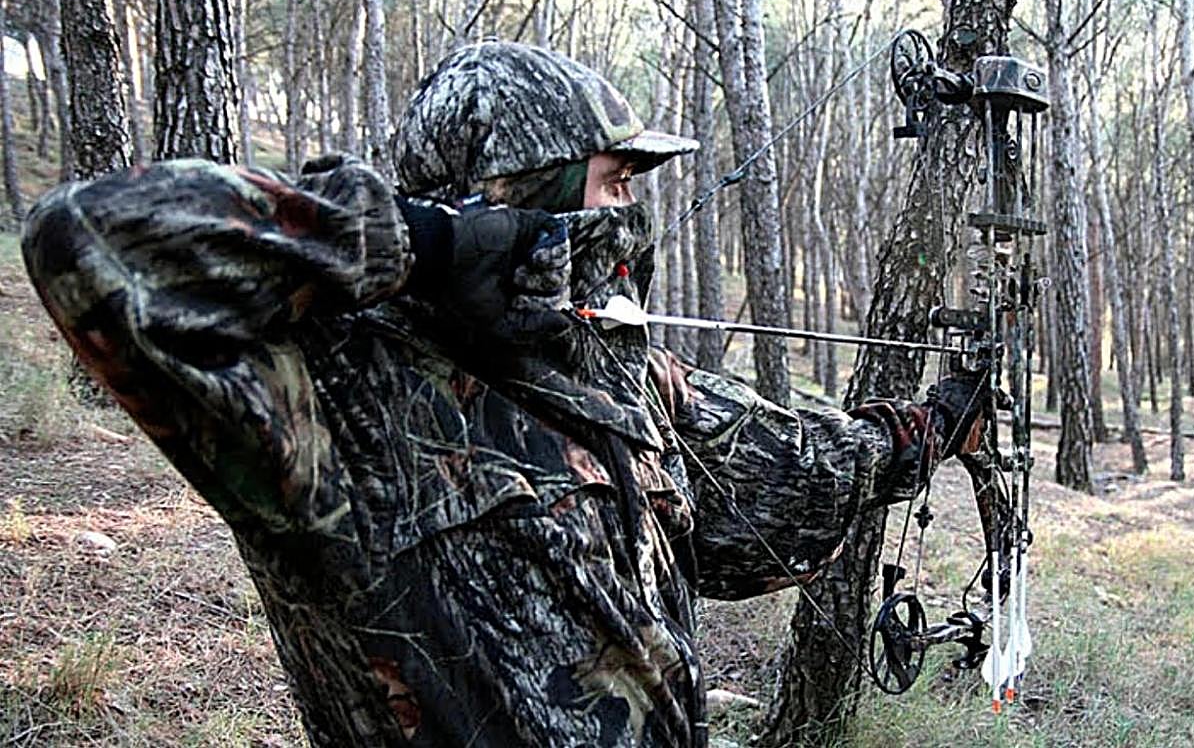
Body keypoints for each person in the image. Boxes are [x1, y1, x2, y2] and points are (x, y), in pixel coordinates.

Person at [21, 40, 982, 747]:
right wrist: (423, 248)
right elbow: (87, 237)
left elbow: (780, 470)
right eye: (613, 183)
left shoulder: (613, 368)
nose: (630, 216)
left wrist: (931, 427)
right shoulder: (338, 382)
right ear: (515, 201)